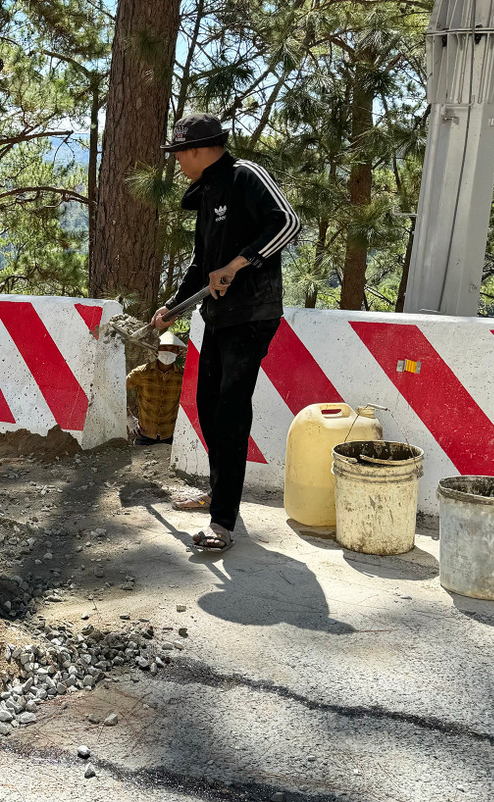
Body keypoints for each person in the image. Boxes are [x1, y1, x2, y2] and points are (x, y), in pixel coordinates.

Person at [153, 113, 300, 551]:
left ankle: (222, 523)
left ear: (196, 150)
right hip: (217, 316)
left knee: (232, 410)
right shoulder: (205, 192)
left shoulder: (245, 176)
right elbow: (203, 263)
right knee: (208, 405)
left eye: (178, 153)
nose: (176, 161)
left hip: (252, 313)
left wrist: (237, 266)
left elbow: (288, 224)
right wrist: (173, 306)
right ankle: (219, 496)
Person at [126, 332, 187, 445]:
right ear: (156, 351)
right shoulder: (141, 373)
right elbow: (118, 390)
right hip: (144, 435)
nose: (168, 352)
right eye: (163, 348)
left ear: (178, 353)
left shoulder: (183, 376)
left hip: (171, 436)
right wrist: (129, 417)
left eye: (172, 349)